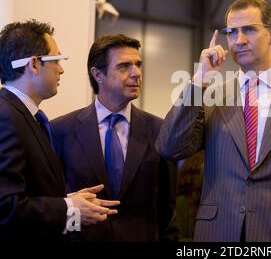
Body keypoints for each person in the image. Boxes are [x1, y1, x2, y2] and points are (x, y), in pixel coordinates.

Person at [156, 0, 271, 242]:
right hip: (217, 233)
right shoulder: (211, 95)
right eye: (231, 32)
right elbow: (169, 146)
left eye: (249, 30)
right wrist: (199, 79)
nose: (238, 41)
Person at [0, 20, 119, 242]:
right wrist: (68, 207)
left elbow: (28, 194)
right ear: (34, 65)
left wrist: (70, 202)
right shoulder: (6, 117)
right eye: (57, 60)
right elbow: (5, 207)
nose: (62, 69)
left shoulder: (27, 117)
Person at [51, 34, 178, 242]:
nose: (136, 73)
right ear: (98, 74)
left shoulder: (159, 130)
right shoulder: (61, 130)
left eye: (138, 65)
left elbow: (167, 209)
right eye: (124, 66)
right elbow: (58, 202)